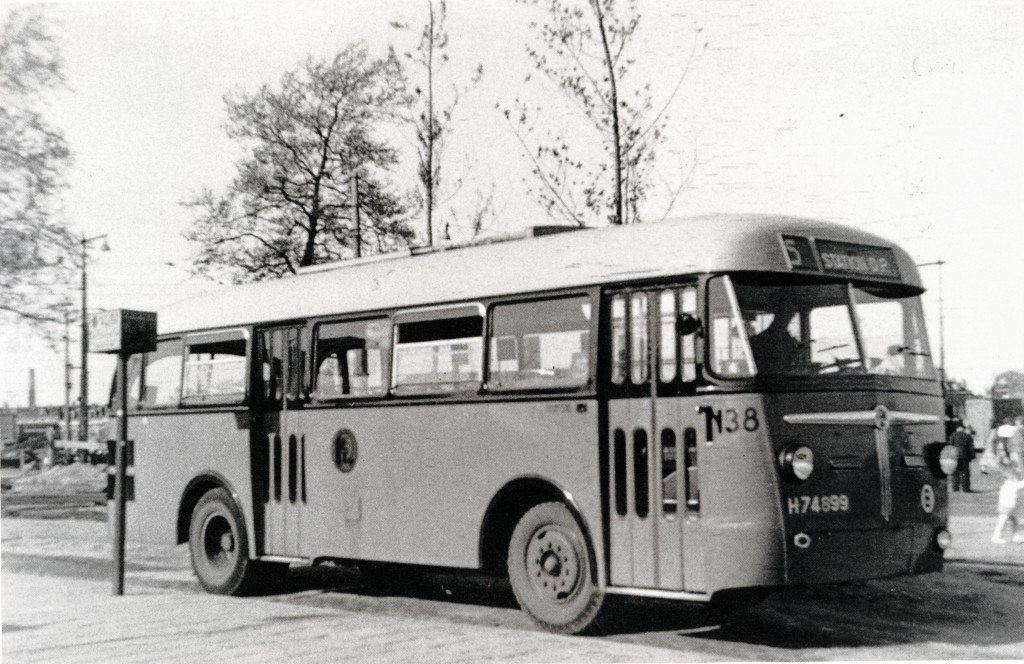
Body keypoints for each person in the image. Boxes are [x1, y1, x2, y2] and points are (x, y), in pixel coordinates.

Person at [748, 300, 801, 374]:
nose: (788, 318)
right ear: (777, 313)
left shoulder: (789, 340)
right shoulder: (757, 341)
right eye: (785, 313)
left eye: (791, 314)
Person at [950, 422, 975, 492]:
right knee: (965, 473)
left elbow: (950, 446)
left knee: (955, 473)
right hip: (964, 456)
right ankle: (965, 488)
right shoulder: (967, 435)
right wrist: (972, 456)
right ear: (963, 428)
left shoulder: (953, 435)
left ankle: (955, 488)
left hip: (955, 456)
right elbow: (971, 448)